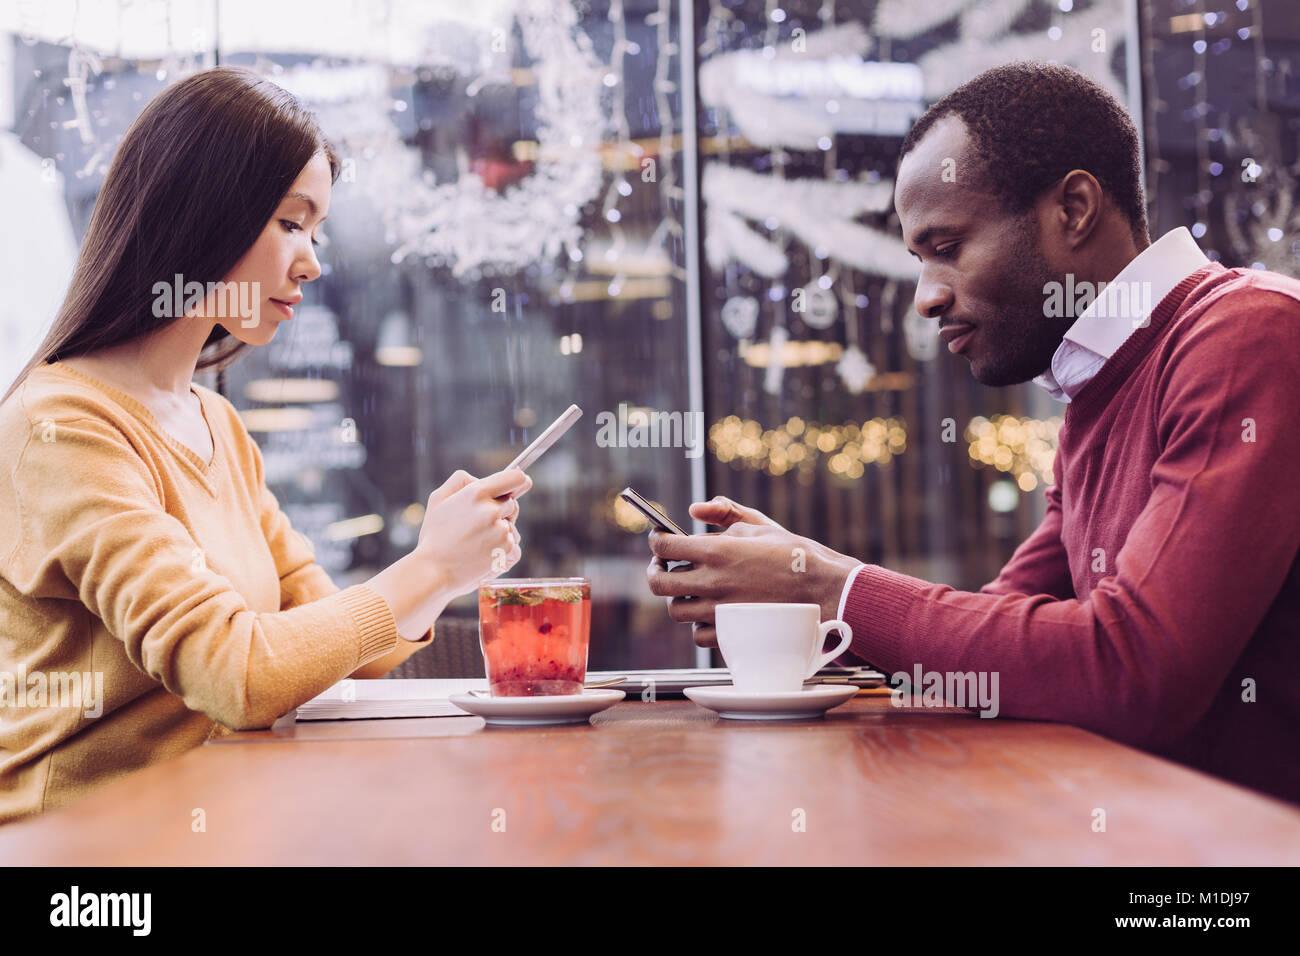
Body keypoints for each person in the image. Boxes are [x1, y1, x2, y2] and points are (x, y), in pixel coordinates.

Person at [647, 62, 1300, 806]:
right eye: (919, 259)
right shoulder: (1097, 381)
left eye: (948, 247)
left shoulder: (1249, 335)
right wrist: (796, 591)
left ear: (1074, 208)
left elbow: (1133, 668)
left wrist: (830, 586)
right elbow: (1005, 642)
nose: (926, 298)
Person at [0, 66, 530, 825]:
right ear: (198, 213)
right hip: (86, 857)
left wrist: (447, 563)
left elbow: (338, 636)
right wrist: (431, 565)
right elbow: (236, 675)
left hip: (211, 824)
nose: (312, 259)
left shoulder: (216, 426)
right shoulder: (60, 431)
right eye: (290, 222)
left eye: (315, 231)